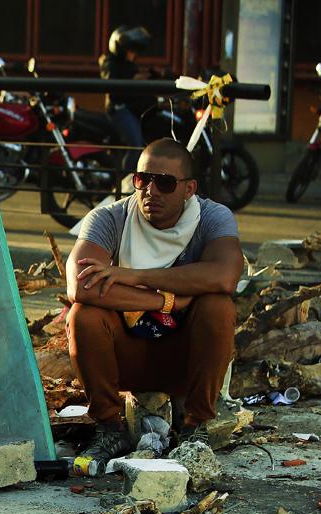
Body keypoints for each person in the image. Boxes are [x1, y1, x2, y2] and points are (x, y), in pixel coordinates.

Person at [65, 138, 243, 467]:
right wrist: (166, 301)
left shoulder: (211, 218)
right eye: (142, 180)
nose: (151, 191)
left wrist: (129, 275)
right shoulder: (110, 219)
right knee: (83, 315)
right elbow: (82, 286)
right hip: (126, 357)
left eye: (164, 182)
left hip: (184, 358)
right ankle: (110, 429)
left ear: (189, 189)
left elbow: (224, 276)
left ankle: (194, 428)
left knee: (219, 306)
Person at [99, 26, 154, 168]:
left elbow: (135, 76)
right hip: (119, 110)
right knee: (135, 146)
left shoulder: (129, 64)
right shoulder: (109, 63)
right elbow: (118, 81)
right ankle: (125, 181)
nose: (133, 54)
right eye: (130, 50)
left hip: (132, 108)